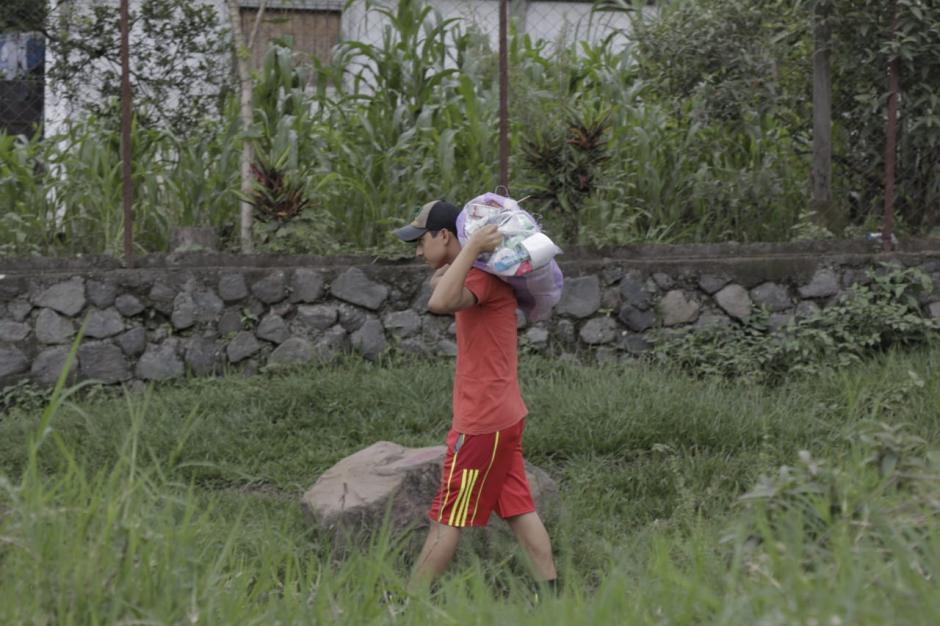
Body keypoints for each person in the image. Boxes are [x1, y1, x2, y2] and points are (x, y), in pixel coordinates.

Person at [393, 200, 557, 594]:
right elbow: (439, 285)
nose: (417, 251)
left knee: (447, 516)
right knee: (518, 508)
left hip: (483, 423)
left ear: (444, 236)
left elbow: (437, 302)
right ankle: (552, 598)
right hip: (504, 415)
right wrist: (463, 257)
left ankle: (408, 606)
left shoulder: (480, 281)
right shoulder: (479, 275)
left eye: (421, 241)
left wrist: (469, 250)